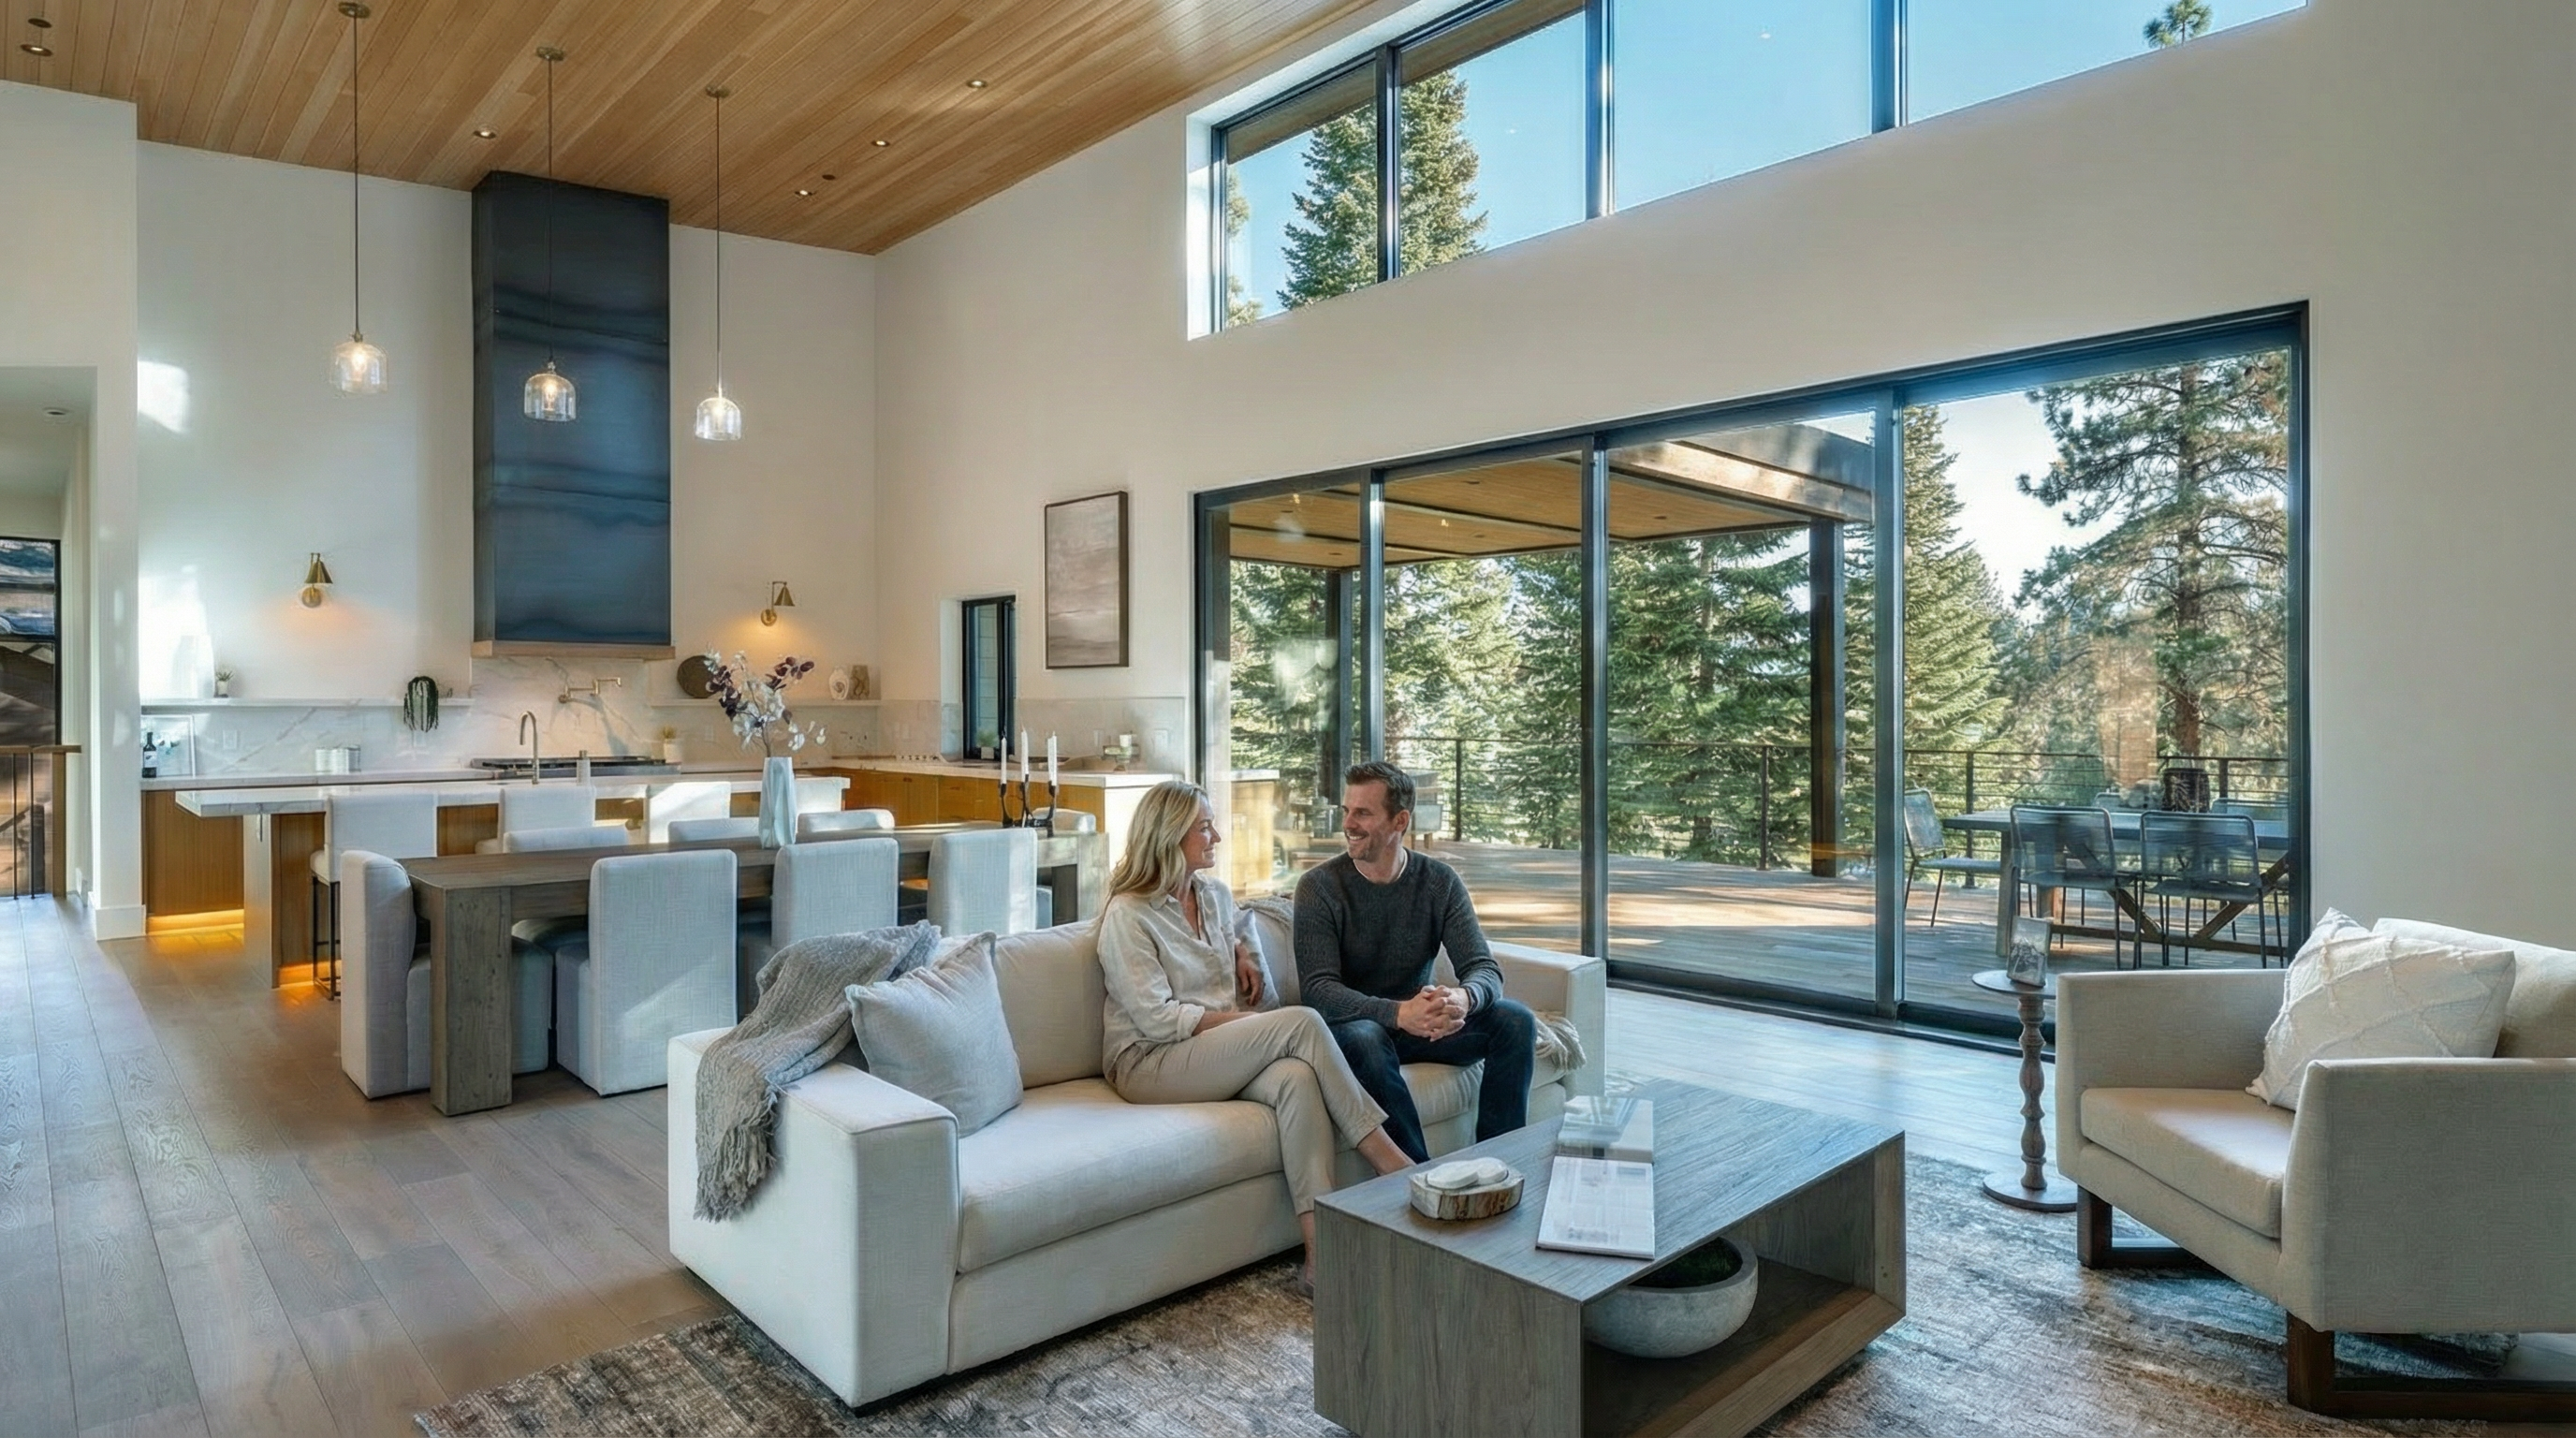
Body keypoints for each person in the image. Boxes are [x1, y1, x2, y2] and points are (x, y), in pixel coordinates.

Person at [1095, 780, 1413, 1294]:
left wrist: (1243, 952)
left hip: (1208, 1052)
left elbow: (1245, 965)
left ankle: (1317, 1257)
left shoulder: (1215, 897)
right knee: (1303, 1022)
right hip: (1149, 1061)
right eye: (1205, 827)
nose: (1217, 835)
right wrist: (1254, 1026)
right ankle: (1391, 1161)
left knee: (1294, 1079)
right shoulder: (1129, 914)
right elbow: (1157, 1020)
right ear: (1170, 835)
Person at [1295, 760, 1536, 1163]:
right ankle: (1418, 1179)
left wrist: (1463, 999)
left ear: (1400, 821)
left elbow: (1484, 969)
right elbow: (1319, 992)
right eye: (1347, 811)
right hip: (1355, 1029)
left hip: (1419, 1025)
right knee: (1366, 1039)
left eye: (1363, 813)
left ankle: (1501, 1164)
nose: (1349, 824)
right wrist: (1396, 1013)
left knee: (1515, 1021)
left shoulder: (1439, 881)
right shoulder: (1319, 887)